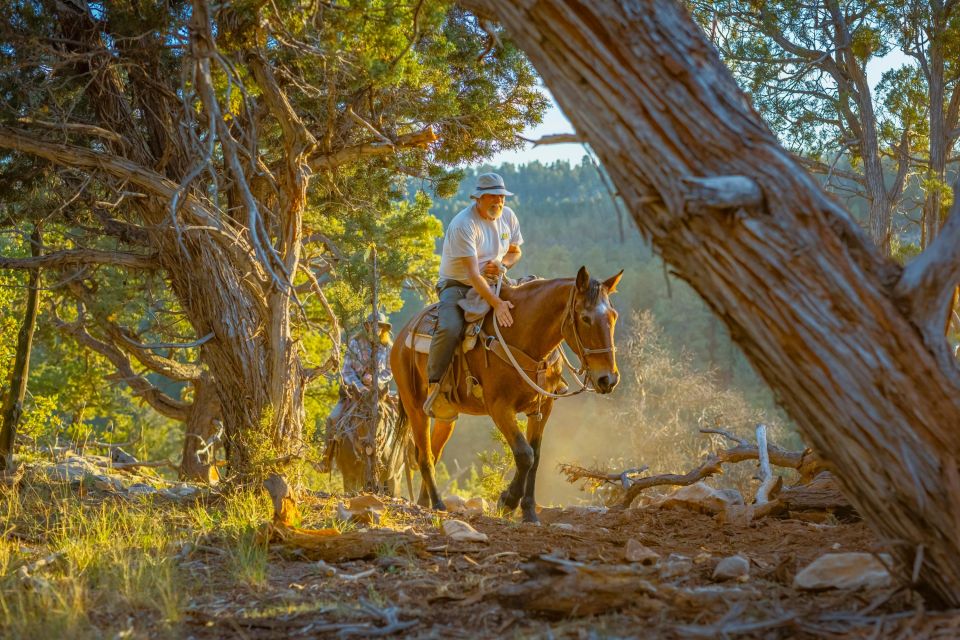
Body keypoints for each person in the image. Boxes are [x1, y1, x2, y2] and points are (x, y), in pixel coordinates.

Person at [424, 172, 523, 418]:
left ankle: (545, 375)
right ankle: (434, 386)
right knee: (449, 327)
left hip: (495, 279)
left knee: (527, 307)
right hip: (458, 285)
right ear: (478, 198)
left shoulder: (507, 216)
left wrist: (503, 265)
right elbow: (471, 275)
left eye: (501, 197)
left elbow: (515, 251)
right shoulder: (463, 224)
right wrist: (497, 304)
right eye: (492, 197)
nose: (498, 202)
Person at [321, 311, 393, 470]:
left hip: (378, 393)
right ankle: (326, 459)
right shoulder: (355, 343)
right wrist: (359, 386)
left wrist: (376, 380)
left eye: (380, 326)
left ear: (383, 329)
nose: (377, 329)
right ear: (367, 326)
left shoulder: (387, 346)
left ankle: (410, 455)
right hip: (354, 393)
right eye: (373, 325)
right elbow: (346, 370)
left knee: (403, 412)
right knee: (332, 418)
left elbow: (389, 371)